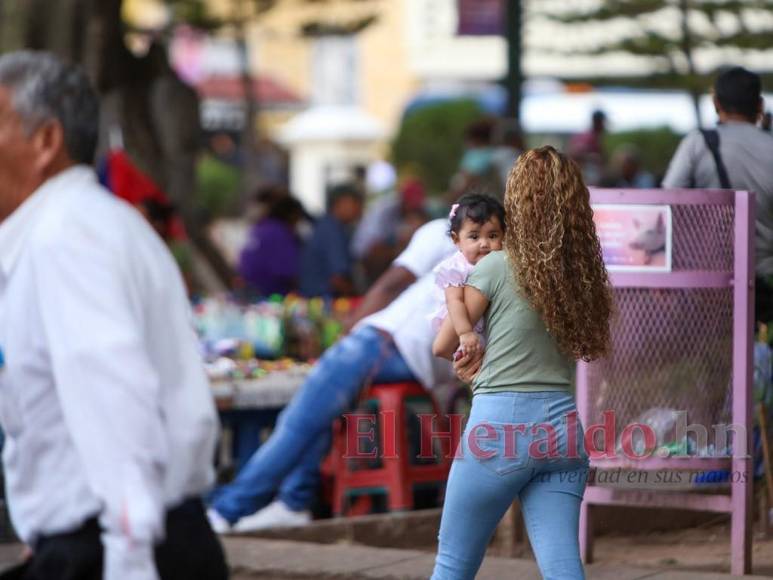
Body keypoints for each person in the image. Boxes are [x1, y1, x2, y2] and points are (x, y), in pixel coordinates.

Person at [0, 51, 227, 580]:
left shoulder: (65, 237)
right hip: (114, 538)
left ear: (45, 141)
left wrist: (128, 552)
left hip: (122, 549)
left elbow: (114, 395)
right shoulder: (87, 226)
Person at [431, 146, 613, 579]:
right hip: (564, 432)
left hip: (500, 428)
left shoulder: (495, 265)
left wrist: (471, 351)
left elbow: (443, 343)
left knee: (453, 565)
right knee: (563, 567)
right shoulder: (579, 275)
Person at [207, 217, 456, 532]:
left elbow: (392, 283)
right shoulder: (501, 253)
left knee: (296, 422)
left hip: (386, 342)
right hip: (423, 363)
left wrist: (347, 333)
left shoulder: (445, 230)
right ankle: (293, 501)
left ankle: (227, 510)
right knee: (316, 411)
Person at [662, 66, 773, 322]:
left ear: (715, 103)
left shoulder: (698, 143)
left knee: (716, 357)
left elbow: (667, 201)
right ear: (759, 105)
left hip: (710, 282)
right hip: (766, 280)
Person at [430, 193, 505, 359]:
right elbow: (454, 301)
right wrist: (464, 333)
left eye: (492, 236)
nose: (484, 244)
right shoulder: (457, 268)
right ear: (456, 240)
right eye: (474, 237)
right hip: (463, 328)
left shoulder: (501, 264)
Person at [299, 183, 364, 297]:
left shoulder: (328, 225)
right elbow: (337, 280)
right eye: (356, 202)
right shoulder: (332, 230)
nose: (360, 208)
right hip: (321, 301)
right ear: (341, 203)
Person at [238, 194, 309, 296]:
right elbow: (289, 272)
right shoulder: (281, 233)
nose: (298, 222)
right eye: (298, 217)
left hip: (247, 290)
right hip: (269, 294)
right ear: (292, 215)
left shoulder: (260, 227)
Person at [568, 109, 607, 185]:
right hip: (584, 178)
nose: (604, 125)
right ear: (598, 122)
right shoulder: (587, 136)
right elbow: (574, 153)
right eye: (603, 122)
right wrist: (592, 157)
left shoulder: (596, 137)